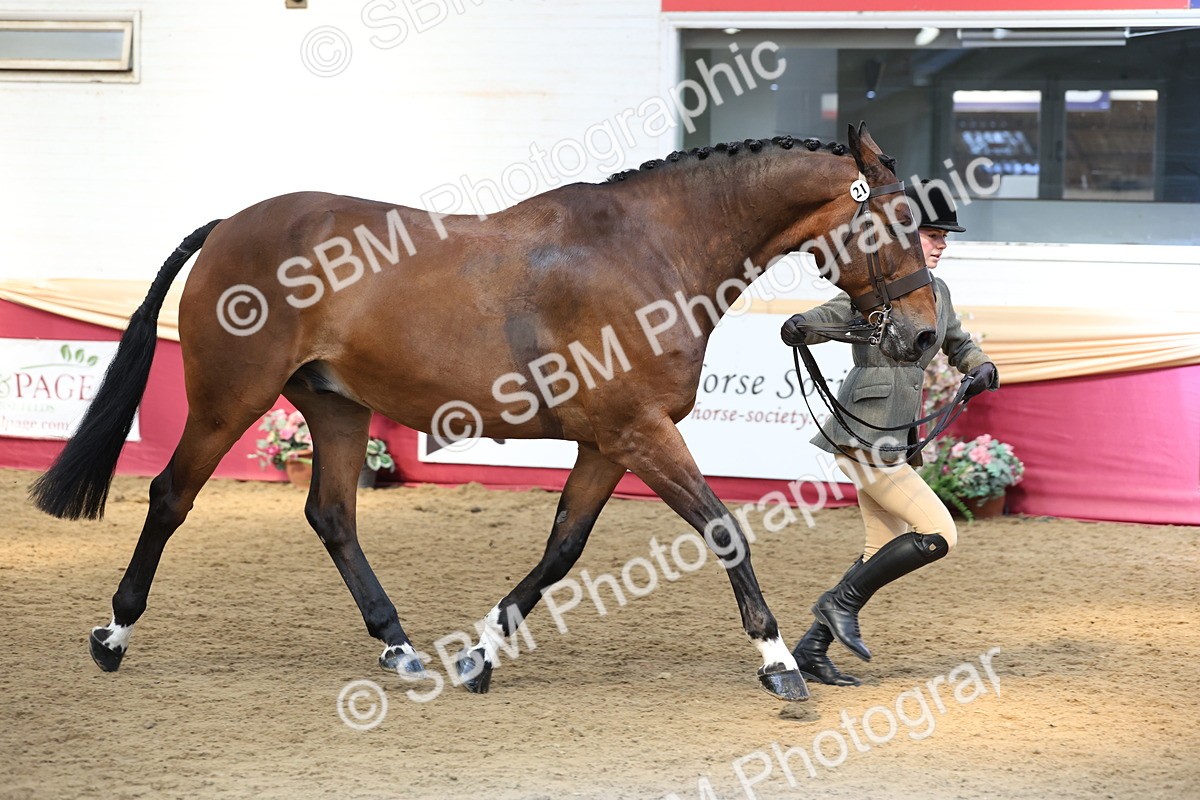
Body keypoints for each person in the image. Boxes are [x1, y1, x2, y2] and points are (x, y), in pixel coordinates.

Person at [779, 180, 999, 686]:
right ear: (904, 235)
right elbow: (833, 314)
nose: (943, 243)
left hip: (894, 437)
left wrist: (981, 365)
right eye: (933, 234)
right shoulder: (878, 285)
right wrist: (801, 324)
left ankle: (812, 649)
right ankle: (840, 603)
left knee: (881, 546)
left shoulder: (936, 292)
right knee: (939, 534)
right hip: (862, 430)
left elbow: (959, 341)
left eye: (946, 236)